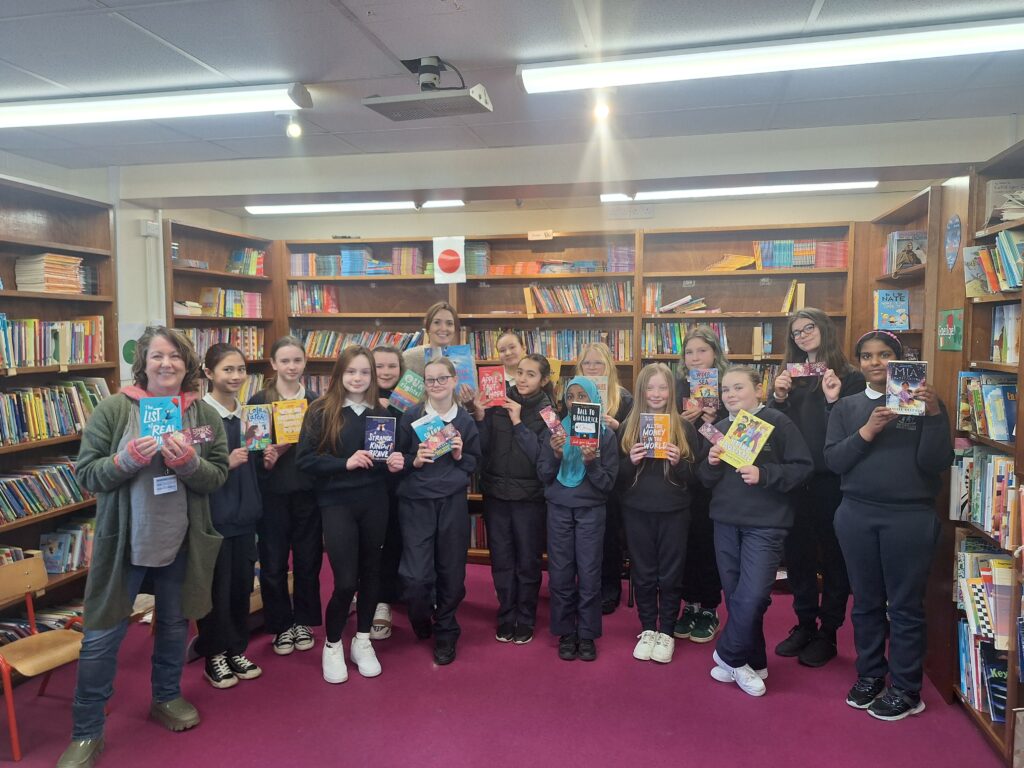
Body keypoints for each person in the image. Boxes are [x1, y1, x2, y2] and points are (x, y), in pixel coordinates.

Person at [58, 327, 228, 768]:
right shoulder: (115, 409)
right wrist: (125, 459)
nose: (166, 364)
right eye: (157, 356)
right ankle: (87, 731)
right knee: (100, 637)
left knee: (173, 626)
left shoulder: (202, 415)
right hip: (125, 543)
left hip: (182, 541)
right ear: (144, 363)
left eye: (174, 356)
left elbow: (217, 476)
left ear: (187, 364)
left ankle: (166, 697)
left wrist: (188, 463)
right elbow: (88, 474)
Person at [824, 330, 952, 721]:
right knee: (864, 602)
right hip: (857, 514)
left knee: (905, 606)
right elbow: (834, 461)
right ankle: (870, 675)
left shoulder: (924, 405)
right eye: (866, 356)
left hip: (909, 517)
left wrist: (932, 416)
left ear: (899, 360)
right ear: (859, 362)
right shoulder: (847, 407)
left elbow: (936, 463)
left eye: (884, 355)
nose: (875, 362)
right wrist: (868, 431)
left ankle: (907, 688)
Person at [697, 366, 813, 697]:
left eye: (738, 388)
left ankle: (728, 655)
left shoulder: (779, 422)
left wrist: (765, 474)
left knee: (755, 595)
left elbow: (802, 469)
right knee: (735, 596)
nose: (730, 395)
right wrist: (712, 463)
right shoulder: (717, 429)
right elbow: (704, 481)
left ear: (758, 390)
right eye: (725, 390)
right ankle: (753, 661)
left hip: (766, 523)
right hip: (725, 520)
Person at [296, 345, 404, 683]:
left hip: (375, 501)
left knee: (372, 573)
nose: (357, 378)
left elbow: (391, 460)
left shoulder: (385, 413)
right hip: (336, 502)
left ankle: (362, 641)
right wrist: (345, 462)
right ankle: (332, 645)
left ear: (372, 377)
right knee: (345, 581)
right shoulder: (320, 411)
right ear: (339, 375)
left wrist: (398, 462)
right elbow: (304, 460)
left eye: (364, 373)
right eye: (351, 372)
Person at [769, 308, 864, 667]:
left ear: (824, 330)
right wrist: (777, 398)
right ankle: (805, 624)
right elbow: (770, 428)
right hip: (796, 479)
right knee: (798, 556)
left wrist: (832, 399)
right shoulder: (788, 377)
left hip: (833, 481)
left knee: (835, 557)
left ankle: (829, 632)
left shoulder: (850, 377)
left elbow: (854, 431)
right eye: (796, 332)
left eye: (809, 328)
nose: (804, 335)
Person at [396, 356, 481, 665]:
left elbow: (474, 461)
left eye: (442, 379)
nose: (436, 385)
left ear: (454, 380)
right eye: (430, 380)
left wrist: (459, 455)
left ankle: (446, 628)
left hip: (451, 503)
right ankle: (420, 614)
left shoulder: (466, 421)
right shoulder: (411, 416)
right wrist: (414, 459)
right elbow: (398, 460)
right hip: (416, 502)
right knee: (415, 576)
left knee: (451, 571)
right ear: (424, 384)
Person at [616, 363, 702, 664]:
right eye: (650, 388)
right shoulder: (629, 425)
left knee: (670, 574)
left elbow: (697, 479)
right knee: (643, 573)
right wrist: (631, 461)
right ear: (641, 391)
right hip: (637, 510)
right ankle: (647, 628)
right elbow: (616, 477)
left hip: (674, 511)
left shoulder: (685, 427)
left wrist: (680, 463)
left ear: (672, 391)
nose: (656, 393)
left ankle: (666, 630)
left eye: (662, 387)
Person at [469, 352, 553, 644]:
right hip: (496, 494)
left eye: (531, 374)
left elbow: (544, 461)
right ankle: (506, 615)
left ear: (543, 380)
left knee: (528, 562)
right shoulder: (497, 404)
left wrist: (519, 423)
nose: (523, 378)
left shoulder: (549, 412)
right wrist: (480, 417)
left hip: (530, 498)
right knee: (502, 561)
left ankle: (526, 618)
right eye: (520, 372)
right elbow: (481, 449)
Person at [195, 344, 265, 689]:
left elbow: (255, 464)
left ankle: (237, 647)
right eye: (227, 369)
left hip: (245, 515)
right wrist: (226, 463)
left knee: (240, 586)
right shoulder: (199, 416)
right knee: (214, 590)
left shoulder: (251, 414)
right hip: (213, 518)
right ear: (208, 373)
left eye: (240, 369)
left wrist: (266, 459)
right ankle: (214, 654)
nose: (236, 376)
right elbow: (190, 466)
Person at [247, 337, 322, 657]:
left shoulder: (316, 402)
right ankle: (280, 625)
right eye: (285, 361)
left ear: (305, 363)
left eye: (297, 361)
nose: (292, 367)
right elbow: (250, 450)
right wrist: (264, 460)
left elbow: (325, 448)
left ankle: (303, 621)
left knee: (308, 561)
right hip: (272, 496)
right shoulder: (259, 400)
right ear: (274, 364)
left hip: (308, 495)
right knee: (274, 564)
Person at [538, 376, 618, 662]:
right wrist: (556, 454)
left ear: (594, 399)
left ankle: (587, 633)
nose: (575, 402)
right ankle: (565, 632)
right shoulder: (555, 430)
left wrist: (590, 463)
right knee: (560, 574)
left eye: (582, 396)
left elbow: (607, 484)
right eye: (571, 396)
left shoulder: (606, 435)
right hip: (559, 508)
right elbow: (543, 475)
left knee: (589, 573)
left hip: (590, 511)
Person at [674, 326, 729, 644]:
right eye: (689, 352)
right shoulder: (679, 386)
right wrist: (683, 422)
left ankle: (709, 606)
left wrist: (709, 424)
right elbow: (668, 433)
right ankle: (689, 604)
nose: (695, 358)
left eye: (702, 351)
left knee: (708, 544)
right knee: (685, 542)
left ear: (715, 354)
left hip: (715, 479)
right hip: (682, 476)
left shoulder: (727, 388)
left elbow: (733, 444)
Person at [578, 341, 633, 615]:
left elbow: (636, 439)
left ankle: (610, 588)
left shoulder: (623, 398)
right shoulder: (573, 394)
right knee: (583, 536)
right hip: (579, 474)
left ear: (608, 367)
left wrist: (618, 427)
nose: (592, 368)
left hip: (610, 477)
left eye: (597, 363)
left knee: (608, 535)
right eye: (587, 363)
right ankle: (586, 585)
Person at [370, 344, 406, 640]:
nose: (385, 372)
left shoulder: (410, 400)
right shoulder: (356, 396)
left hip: (400, 484)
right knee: (370, 544)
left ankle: (385, 599)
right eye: (379, 366)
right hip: (365, 483)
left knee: (394, 539)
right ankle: (372, 594)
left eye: (391, 366)